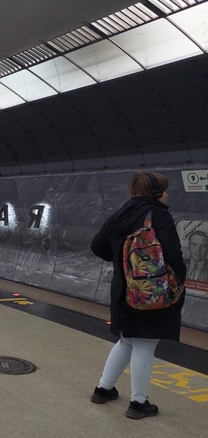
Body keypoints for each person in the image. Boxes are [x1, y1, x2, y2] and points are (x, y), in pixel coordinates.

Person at [90, 171, 186, 419]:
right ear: (155, 192)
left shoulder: (119, 214)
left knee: (128, 339)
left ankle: (103, 389)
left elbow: (97, 245)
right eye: (164, 190)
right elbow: (173, 253)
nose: (167, 195)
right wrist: (177, 281)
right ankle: (138, 403)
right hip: (151, 292)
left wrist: (124, 264)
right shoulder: (159, 216)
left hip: (123, 291)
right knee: (145, 343)